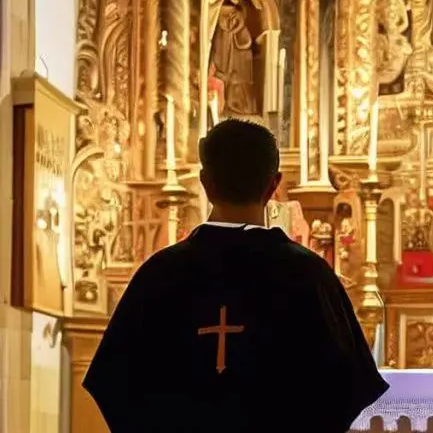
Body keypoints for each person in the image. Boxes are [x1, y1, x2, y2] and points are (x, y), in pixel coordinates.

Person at [83, 119, 388, 432]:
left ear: (205, 183)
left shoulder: (159, 274)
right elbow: (348, 385)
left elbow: (114, 384)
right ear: (273, 185)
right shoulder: (310, 276)